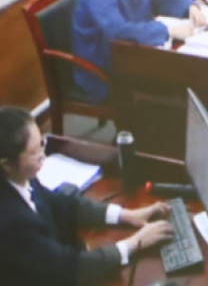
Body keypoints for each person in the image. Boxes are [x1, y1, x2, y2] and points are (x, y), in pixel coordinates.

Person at [0, 106, 174, 285]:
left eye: (42, 144)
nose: (43, 155)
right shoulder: (12, 222)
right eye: (34, 153)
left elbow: (60, 203)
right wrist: (136, 242)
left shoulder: (21, 176)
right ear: (7, 164)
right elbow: (68, 268)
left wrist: (126, 215)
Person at [73, 0, 205, 103]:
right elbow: (120, 32)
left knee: (189, 74)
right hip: (105, 68)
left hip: (136, 55)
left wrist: (190, 7)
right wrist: (168, 30)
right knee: (179, 79)